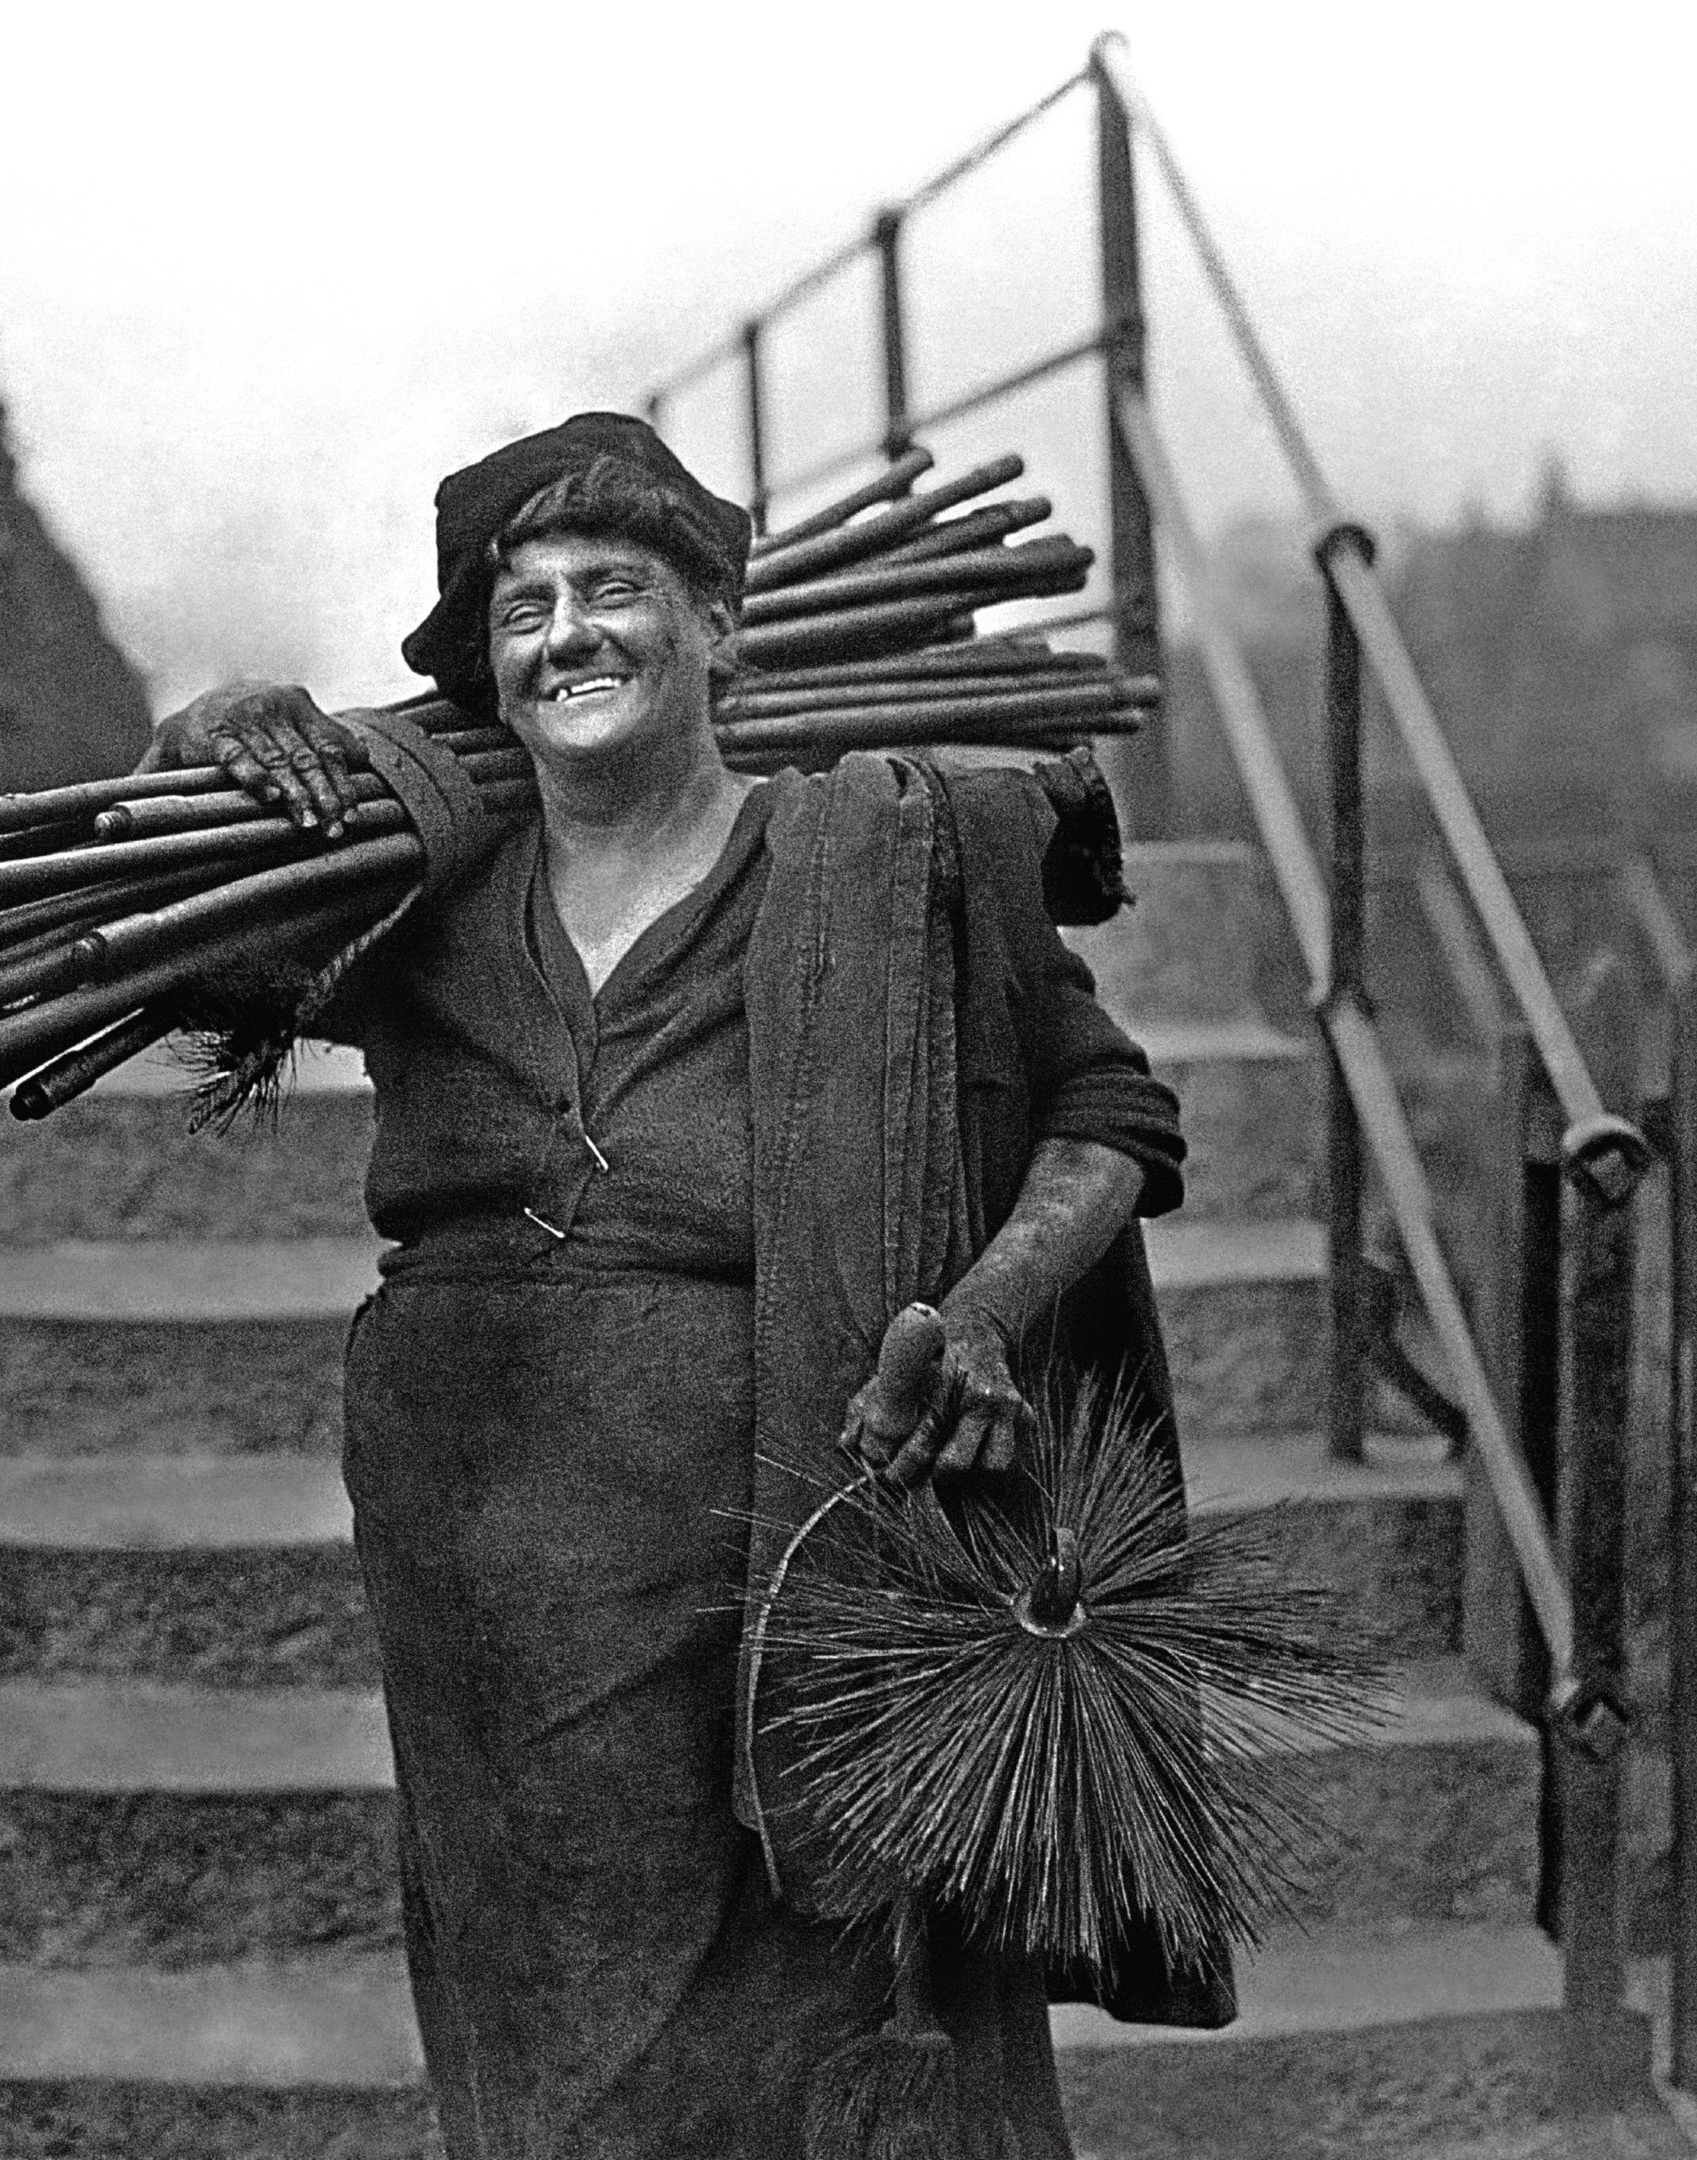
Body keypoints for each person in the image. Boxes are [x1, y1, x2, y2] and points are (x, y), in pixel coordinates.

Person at [148, 412, 1213, 2159]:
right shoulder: (424, 879)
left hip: (812, 1510)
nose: (566, 634)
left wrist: (992, 1312)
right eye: (524, 609)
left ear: (718, 621)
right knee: (549, 2014)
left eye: (614, 590)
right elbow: (203, 956)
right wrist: (203, 748)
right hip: (489, 1550)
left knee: (828, 2014)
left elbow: (1106, 1110)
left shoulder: (883, 858)